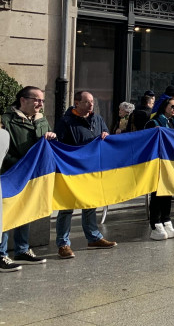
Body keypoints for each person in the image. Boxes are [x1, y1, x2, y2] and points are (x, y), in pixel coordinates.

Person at [55, 91, 117, 258]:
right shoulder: (65, 122)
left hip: (92, 170)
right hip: (72, 171)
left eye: (92, 102)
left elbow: (106, 135)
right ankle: (63, 244)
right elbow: (58, 146)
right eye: (87, 102)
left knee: (90, 204)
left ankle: (93, 237)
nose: (91, 105)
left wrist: (106, 135)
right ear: (77, 103)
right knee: (67, 208)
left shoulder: (98, 119)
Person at [1, 87, 56, 270]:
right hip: (10, 175)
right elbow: (3, 150)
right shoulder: (5, 120)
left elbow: (45, 145)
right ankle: (1, 254)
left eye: (42, 101)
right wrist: (21, 164)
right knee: (6, 214)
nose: (40, 104)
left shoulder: (41, 120)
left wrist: (51, 136)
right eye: (37, 100)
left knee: (25, 211)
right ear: (22, 100)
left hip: (31, 177)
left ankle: (22, 250)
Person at [145, 97, 174, 240]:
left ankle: (167, 220)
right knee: (157, 193)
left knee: (168, 193)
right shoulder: (154, 122)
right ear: (164, 107)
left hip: (172, 164)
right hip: (158, 163)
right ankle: (155, 223)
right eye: (172, 107)